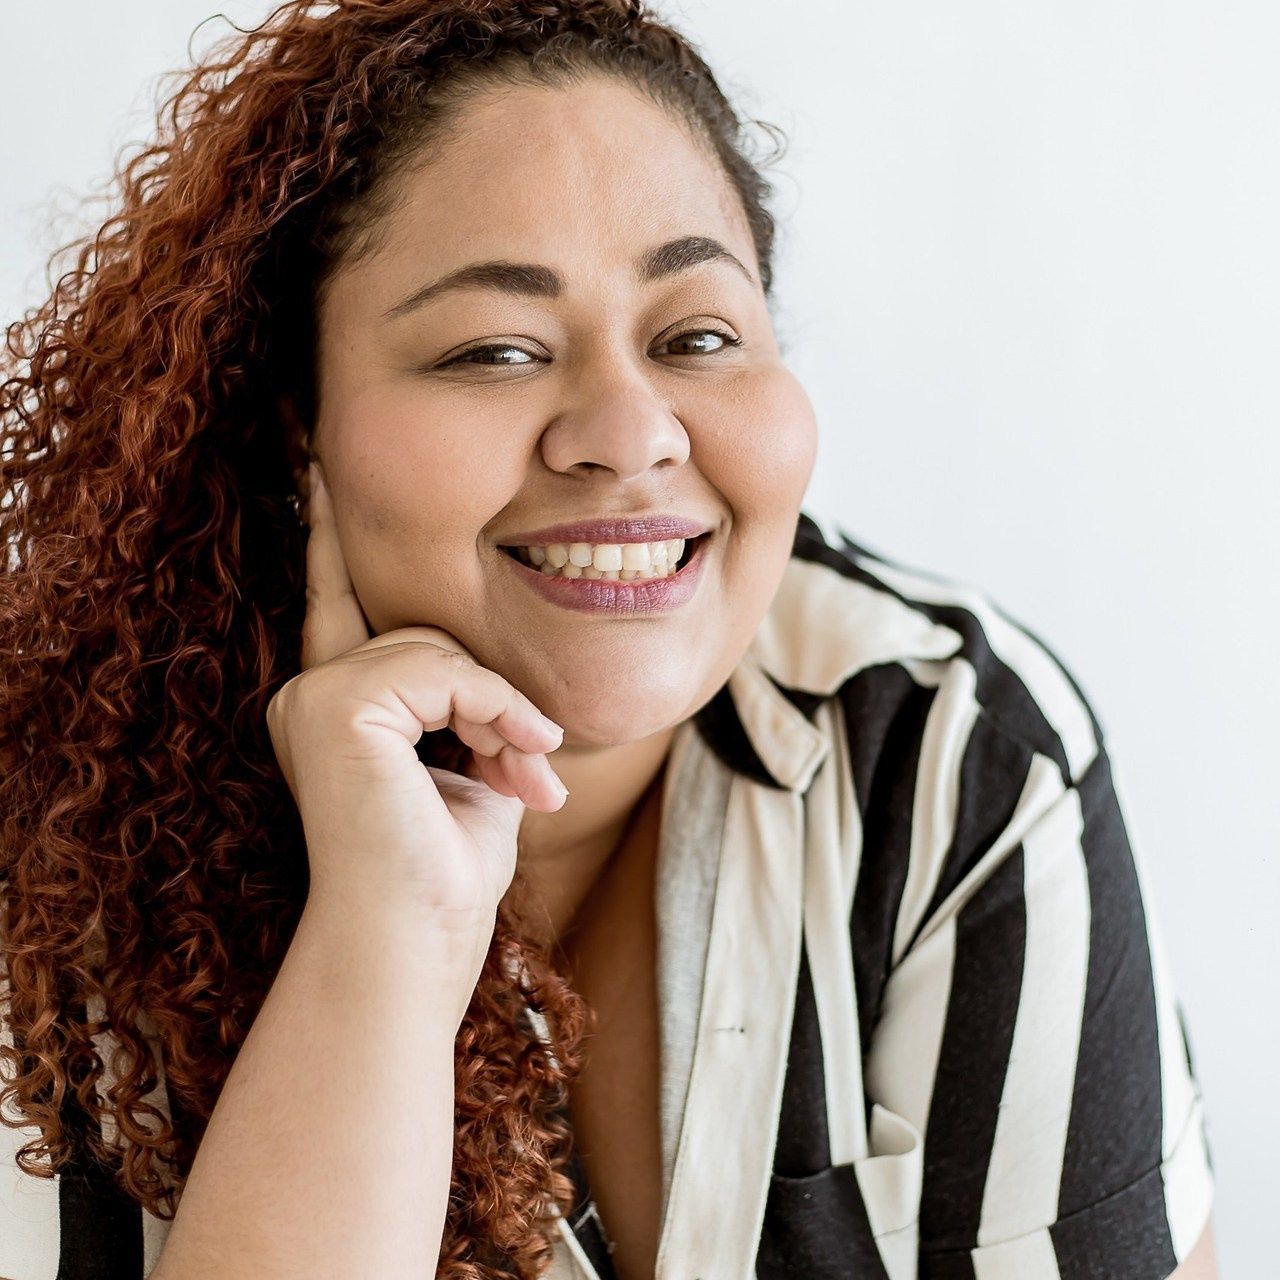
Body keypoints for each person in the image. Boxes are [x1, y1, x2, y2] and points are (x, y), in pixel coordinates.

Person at [0, 1, 1216, 1277]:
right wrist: (389, 931)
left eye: (695, 336)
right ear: (297, 426)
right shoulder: (52, 876)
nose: (630, 432)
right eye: (493, 349)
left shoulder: (948, 749)